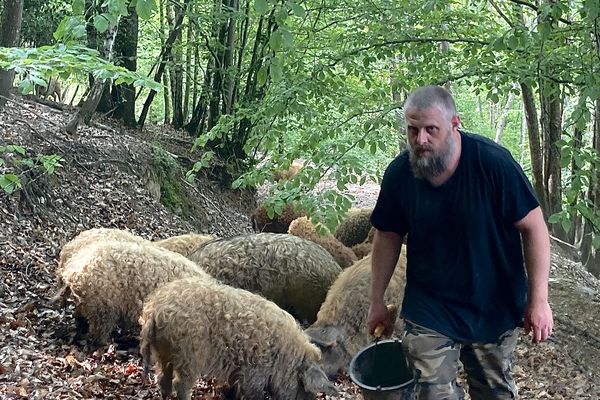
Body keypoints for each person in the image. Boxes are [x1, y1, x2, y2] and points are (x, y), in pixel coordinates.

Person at [367, 85, 553, 399]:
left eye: (430, 130)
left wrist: (539, 300)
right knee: (432, 392)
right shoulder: (400, 174)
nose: (420, 140)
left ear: (455, 124)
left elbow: (535, 228)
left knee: (494, 392)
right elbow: (387, 235)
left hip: (493, 303)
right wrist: (376, 300)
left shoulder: (494, 165)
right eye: (413, 130)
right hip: (431, 305)